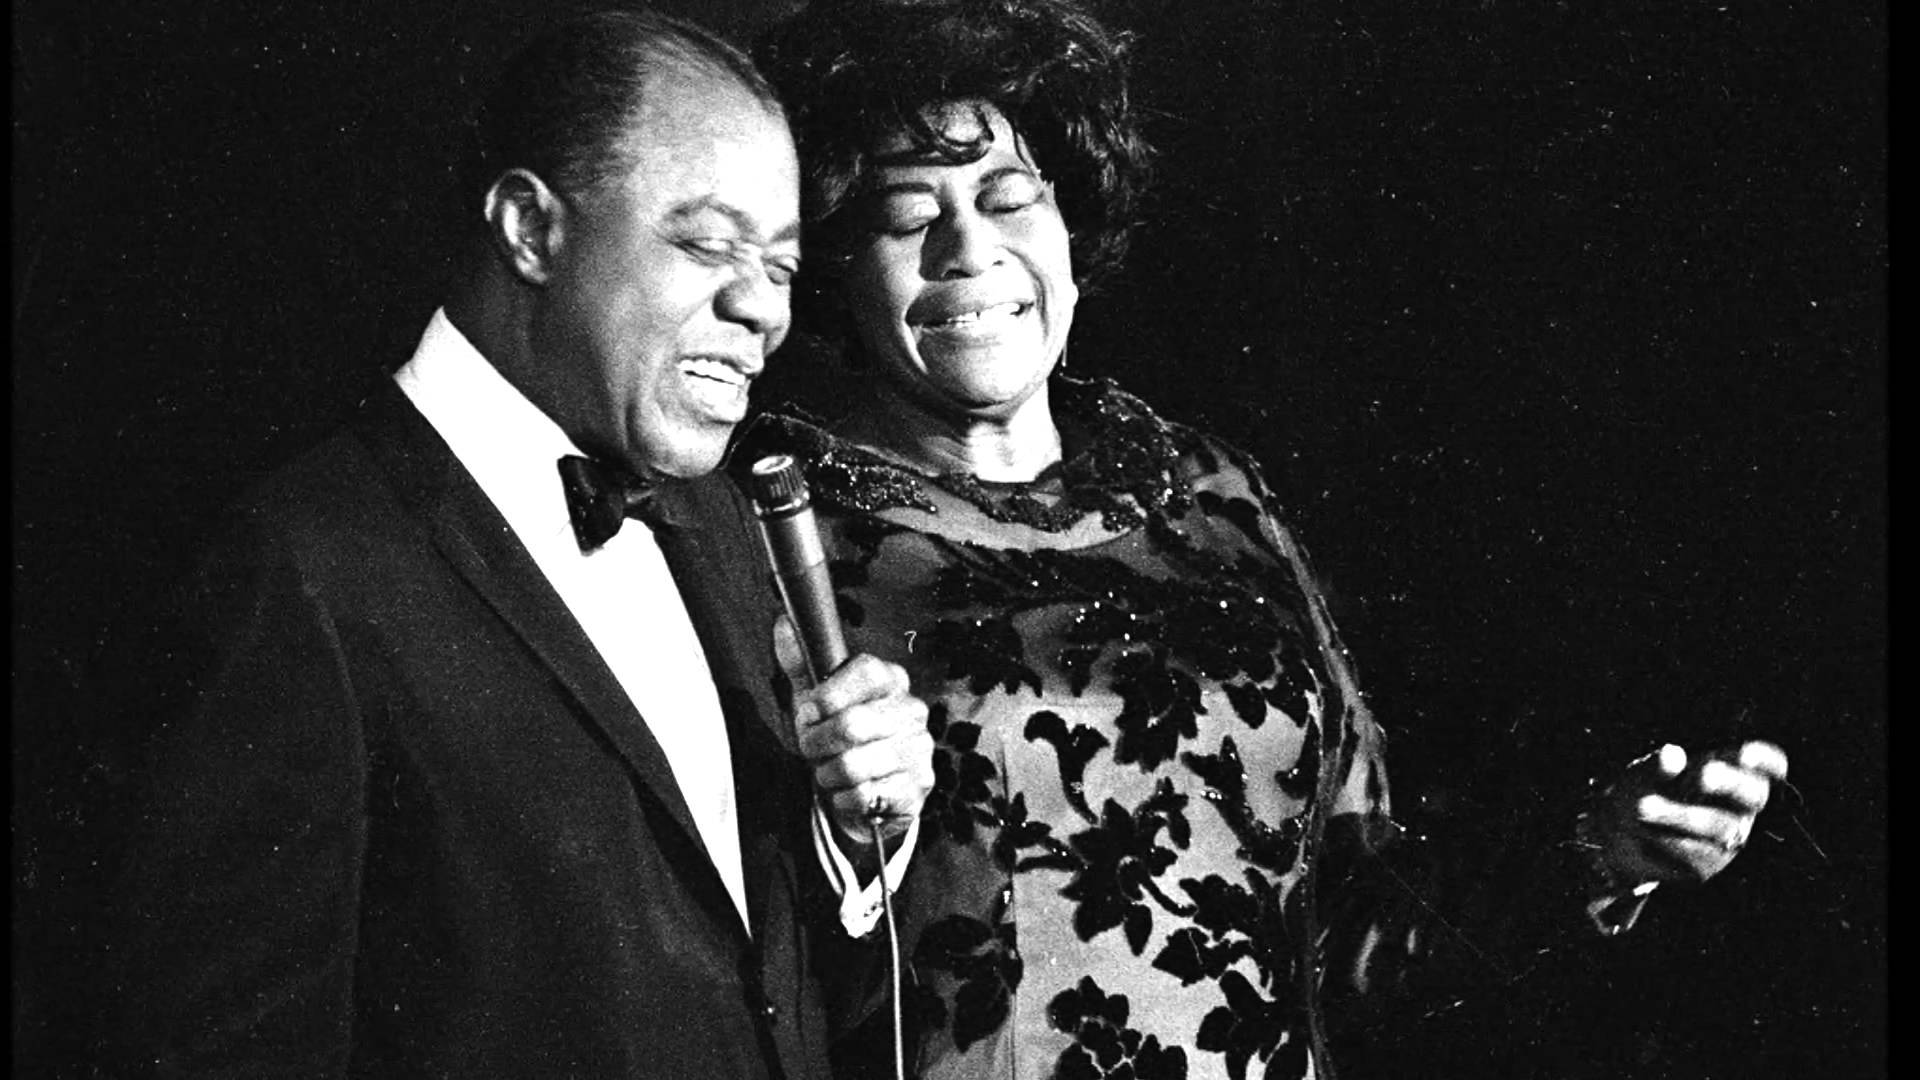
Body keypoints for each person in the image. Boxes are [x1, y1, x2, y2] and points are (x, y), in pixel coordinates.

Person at [743, 2, 1791, 1078]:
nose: (970, 249)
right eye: (905, 215)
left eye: (1011, 200)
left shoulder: (1209, 490)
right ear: (830, 265)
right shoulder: (779, 527)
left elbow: (1352, 924)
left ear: (1070, 227)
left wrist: (1601, 855)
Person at [89, 8, 932, 1078]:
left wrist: (853, 842)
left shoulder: (718, 525)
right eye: (708, 243)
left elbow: (765, 993)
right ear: (531, 230)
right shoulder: (296, 568)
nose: (762, 308)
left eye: (780, 265)